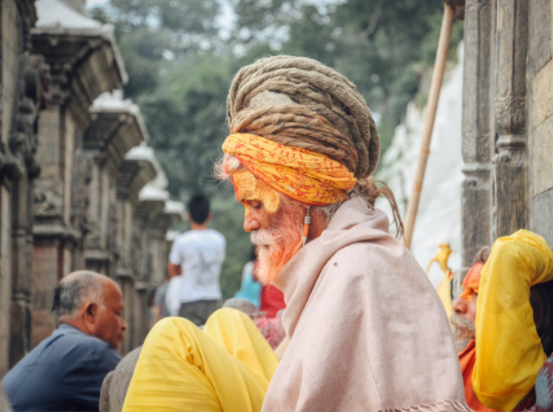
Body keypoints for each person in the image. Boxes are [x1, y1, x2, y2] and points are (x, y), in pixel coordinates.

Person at [124, 55, 466, 412]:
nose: (248, 224)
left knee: (171, 337)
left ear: (302, 199)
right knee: (228, 323)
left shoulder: (356, 268)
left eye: (255, 204)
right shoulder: (349, 256)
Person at [452, 230, 553, 411]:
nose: (457, 304)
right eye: (464, 292)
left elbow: (508, 255)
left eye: (478, 294)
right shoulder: (469, 352)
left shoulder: (511, 374)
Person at [3, 271, 126, 412]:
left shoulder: (61, 348)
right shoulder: (91, 353)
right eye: (117, 313)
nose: (124, 325)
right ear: (90, 312)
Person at [167, 194, 226, 325]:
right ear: (209, 215)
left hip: (189, 301)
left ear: (188, 216)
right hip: (213, 299)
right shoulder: (219, 240)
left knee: (190, 341)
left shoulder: (182, 241)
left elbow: (172, 270)